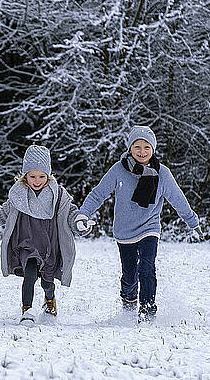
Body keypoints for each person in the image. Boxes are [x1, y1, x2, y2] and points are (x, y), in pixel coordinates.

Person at [74, 125, 202, 322]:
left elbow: (178, 199)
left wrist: (192, 221)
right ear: (130, 148)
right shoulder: (118, 170)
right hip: (124, 231)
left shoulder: (162, 174)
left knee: (147, 268)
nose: (142, 152)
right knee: (130, 275)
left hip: (149, 228)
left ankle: (147, 311)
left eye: (146, 148)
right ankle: (129, 303)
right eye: (137, 147)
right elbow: (98, 193)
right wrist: (83, 214)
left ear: (153, 149)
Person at [0, 145, 87, 325]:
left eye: (41, 176)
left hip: (50, 245)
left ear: (48, 176)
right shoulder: (19, 194)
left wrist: (79, 223)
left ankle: (50, 299)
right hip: (26, 244)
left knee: (47, 282)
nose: (37, 181)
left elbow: (71, 213)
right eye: (32, 176)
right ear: (25, 175)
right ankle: (27, 310)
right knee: (29, 274)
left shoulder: (58, 195)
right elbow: (2, 214)